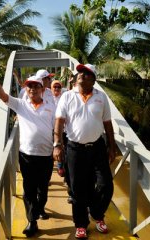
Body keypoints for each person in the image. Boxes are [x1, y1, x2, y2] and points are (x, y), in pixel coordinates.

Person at [0, 67, 55, 237]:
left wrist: (59, 145)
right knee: (29, 189)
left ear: (42, 89)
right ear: (27, 89)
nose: (32, 89)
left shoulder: (51, 106)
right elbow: (3, 96)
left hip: (46, 155)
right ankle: (32, 221)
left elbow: (59, 126)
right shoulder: (21, 105)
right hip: (26, 155)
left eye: (36, 86)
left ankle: (37, 210)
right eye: (29, 86)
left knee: (43, 188)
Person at [53, 63, 115, 239]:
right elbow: (59, 121)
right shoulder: (67, 97)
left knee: (105, 185)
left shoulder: (101, 97)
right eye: (80, 72)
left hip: (97, 147)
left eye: (87, 74)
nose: (81, 75)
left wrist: (112, 146)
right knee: (77, 188)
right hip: (75, 148)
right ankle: (81, 224)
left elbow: (107, 123)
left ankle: (96, 213)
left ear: (93, 80)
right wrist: (57, 144)